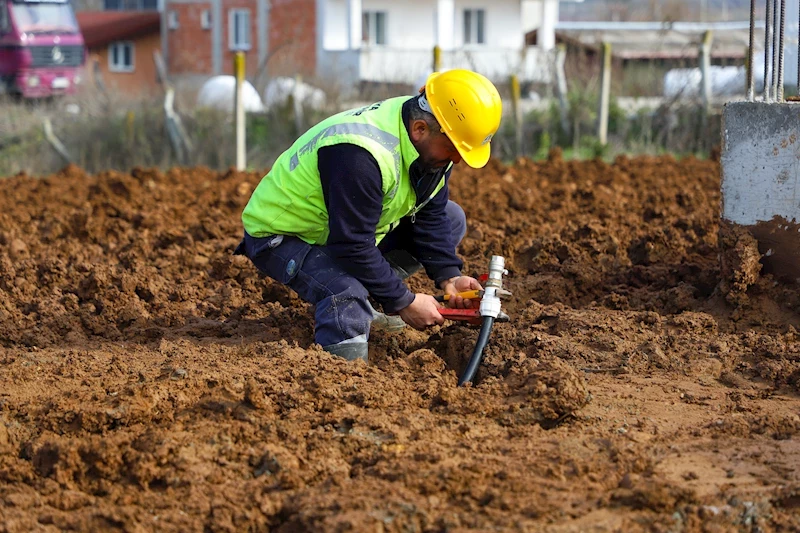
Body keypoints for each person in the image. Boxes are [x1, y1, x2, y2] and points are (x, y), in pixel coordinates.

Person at [234, 69, 502, 362]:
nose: (458, 159)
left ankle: (372, 302)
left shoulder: (432, 139)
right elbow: (351, 246)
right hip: (282, 235)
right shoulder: (360, 156)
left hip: (343, 231)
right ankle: (341, 370)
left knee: (452, 218)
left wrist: (449, 276)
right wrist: (404, 301)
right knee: (345, 293)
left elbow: (430, 214)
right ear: (420, 129)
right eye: (456, 149)